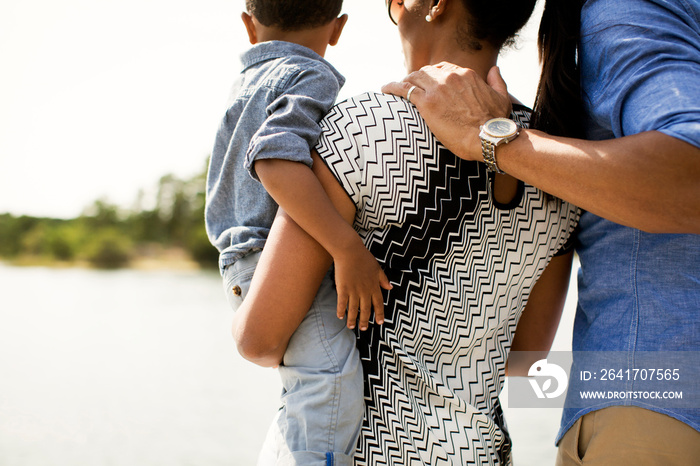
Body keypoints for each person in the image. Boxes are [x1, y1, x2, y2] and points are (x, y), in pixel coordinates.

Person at [238, 0, 581, 463]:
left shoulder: (362, 130)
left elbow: (260, 340)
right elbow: (527, 358)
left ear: (436, 5)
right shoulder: (553, 162)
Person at [382, 0, 700, 463]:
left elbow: (689, 173)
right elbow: (526, 358)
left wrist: (488, 137)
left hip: (649, 394)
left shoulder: (626, 7)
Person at [204, 1, 391, 464]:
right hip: (273, 257)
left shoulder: (245, 82)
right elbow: (274, 158)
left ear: (249, 25)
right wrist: (347, 249)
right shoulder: (311, 73)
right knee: (328, 378)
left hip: (239, 261)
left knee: (308, 383)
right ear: (338, 28)